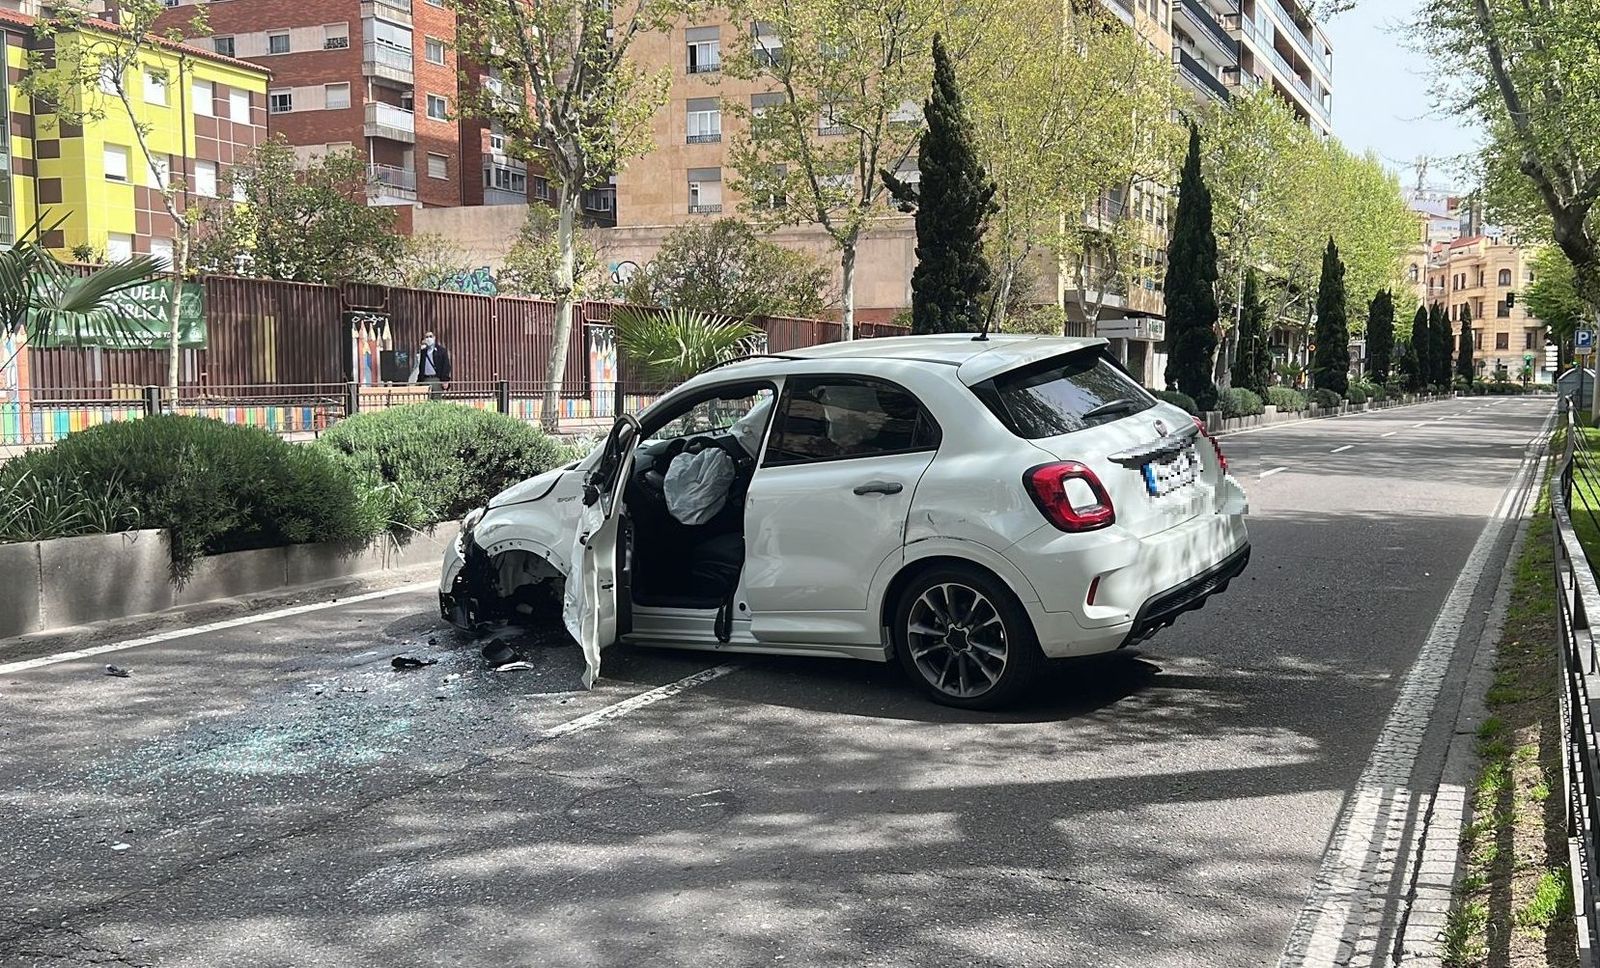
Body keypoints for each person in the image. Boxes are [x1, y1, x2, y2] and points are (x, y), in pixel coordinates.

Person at [409, 331, 452, 398]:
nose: (428, 338)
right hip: (425, 379)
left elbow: (446, 366)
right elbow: (421, 367)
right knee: (425, 399)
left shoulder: (441, 351)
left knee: (436, 399)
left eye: (430, 336)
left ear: (434, 338)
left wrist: (445, 380)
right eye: (427, 337)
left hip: (436, 379)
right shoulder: (423, 352)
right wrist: (419, 381)